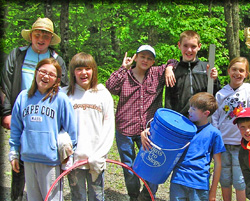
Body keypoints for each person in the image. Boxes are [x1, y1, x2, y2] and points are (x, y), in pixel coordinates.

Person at [1, 17, 68, 201]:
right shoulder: (17, 55)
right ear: (31, 36)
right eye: (37, 35)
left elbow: (63, 89)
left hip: (47, 119)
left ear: (50, 39)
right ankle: (17, 197)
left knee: (43, 160)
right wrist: (6, 112)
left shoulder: (57, 60)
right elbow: (5, 85)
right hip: (21, 114)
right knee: (19, 161)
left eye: (45, 36)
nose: (41, 39)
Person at [106, 45, 176, 201]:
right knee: (129, 166)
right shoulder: (125, 75)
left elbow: (174, 61)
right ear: (135, 57)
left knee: (153, 163)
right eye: (142, 56)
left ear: (153, 62)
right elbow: (110, 87)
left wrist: (169, 68)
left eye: (149, 58)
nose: (145, 60)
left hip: (149, 130)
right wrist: (123, 68)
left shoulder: (157, 74)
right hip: (125, 129)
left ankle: (146, 196)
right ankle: (133, 196)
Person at [8, 58, 77, 201]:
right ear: (36, 72)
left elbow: (72, 131)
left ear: (57, 80)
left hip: (50, 161)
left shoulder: (61, 99)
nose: (46, 76)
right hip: (28, 158)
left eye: (51, 74)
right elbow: (16, 127)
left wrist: (69, 156)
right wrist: (14, 152)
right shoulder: (23, 97)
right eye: (43, 71)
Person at [141, 92, 225, 200]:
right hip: (178, 180)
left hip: (199, 184)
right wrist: (146, 132)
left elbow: (218, 164)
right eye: (190, 107)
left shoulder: (214, 133)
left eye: (194, 109)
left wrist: (213, 192)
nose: (189, 111)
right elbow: (162, 132)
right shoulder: (183, 128)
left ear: (206, 113)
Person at [211, 56, 250, 201]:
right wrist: (217, 135)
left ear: (247, 74)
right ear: (229, 71)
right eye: (234, 69)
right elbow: (215, 116)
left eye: (241, 70)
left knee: (239, 179)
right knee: (224, 178)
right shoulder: (221, 93)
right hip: (223, 143)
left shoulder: (249, 90)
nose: (237, 73)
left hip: (241, 143)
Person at [61, 52, 115, 201]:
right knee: (77, 196)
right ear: (72, 72)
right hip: (73, 159)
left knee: (97, 196)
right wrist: (66, 153)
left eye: (87, 68)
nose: (83, 73)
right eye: (79, 69)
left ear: (94, 70)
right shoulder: (64, 95)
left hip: (96, 159)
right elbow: (59, 128)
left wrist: (100, 155)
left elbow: (108, 128)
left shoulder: (103, 94)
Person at [165, 30, 220, 117]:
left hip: (202, 119)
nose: (189, 50)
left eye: (193, 46)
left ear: (199, 46)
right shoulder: (173, 71)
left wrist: (215, 80)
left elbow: (216, 95)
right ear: (179, 45)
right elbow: (168, 99)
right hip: (180, 119)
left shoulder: (206, 68)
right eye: (185, 46)